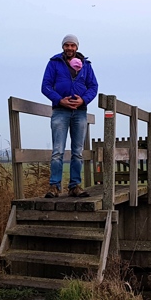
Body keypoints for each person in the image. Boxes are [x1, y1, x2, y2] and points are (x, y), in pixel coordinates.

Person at [41, 34, 98, 198]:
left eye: (72, 45)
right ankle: (54, 186)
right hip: (60, 111)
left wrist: (83, 100)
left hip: (80, 112)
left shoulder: (86, 65)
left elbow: (93, 86)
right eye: (67, 45)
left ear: (77, 47)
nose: (69, 48)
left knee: (78, 152)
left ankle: (75, 186)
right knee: (57, 151)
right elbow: (45, 86)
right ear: (63, 47)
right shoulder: (54, 63)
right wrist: (60, 100)